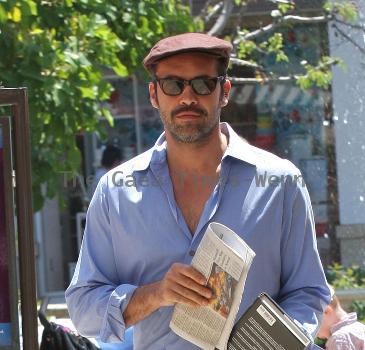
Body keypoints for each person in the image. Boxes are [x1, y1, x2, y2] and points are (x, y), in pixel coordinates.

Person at [66, 32, 331, 350]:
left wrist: (272, 343)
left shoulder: (281, 183)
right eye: (173, 84)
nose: (187, 97)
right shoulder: (116, 192)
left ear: (224, 92)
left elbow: (308, 292)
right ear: (154, 94)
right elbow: (83, 309)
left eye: (203, 83)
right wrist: (156, 294)